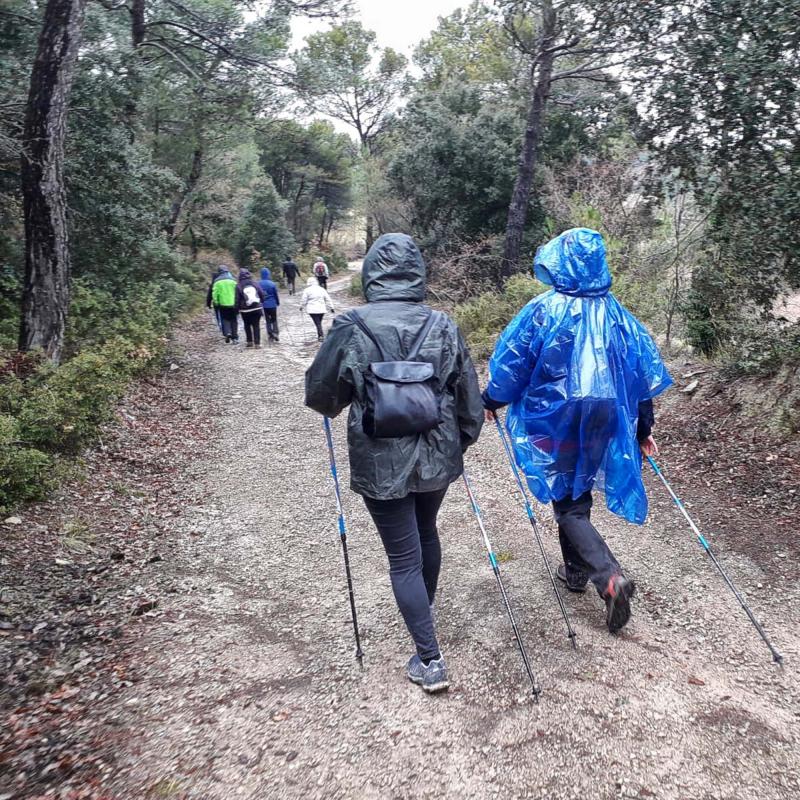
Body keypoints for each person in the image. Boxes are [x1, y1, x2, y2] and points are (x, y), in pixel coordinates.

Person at [305, 233, 484, 694]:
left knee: (403, 555)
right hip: (437, 453)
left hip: (380, 458)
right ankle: (423, 612)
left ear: (371, 274)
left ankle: (430, 658)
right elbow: (468, 400)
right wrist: (458, 445)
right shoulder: (443, 325)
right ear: (418, 273)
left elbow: (322, 396)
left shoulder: (350, 326)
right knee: (427, 533)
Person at [482, 228, 672, 634]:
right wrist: (643, 428)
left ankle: (607, 577)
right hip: (604, 416)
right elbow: (638, 378)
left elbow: (513, 364)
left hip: (556, 417)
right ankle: (573, 572)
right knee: (572, 490)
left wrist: (490, 401)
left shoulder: (542, 310)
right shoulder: (619, 316)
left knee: (566, 500)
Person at [235, 269, 265, 348]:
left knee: (247, 325)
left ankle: (249, 342)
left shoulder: (238, 285)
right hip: (256, 308)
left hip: (245, 310)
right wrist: (261, 302)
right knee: (256, 325)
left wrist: (236, 309)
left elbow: (237, 299)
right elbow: (261, 293)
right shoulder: (254, 283)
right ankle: (257, 344)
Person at [300, 276, 334, 341]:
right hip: (321, 309)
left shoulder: (307, 290)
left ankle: (321, 335)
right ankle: (320, 334)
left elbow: (304, 300)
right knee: (318, 322)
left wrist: (301, 306)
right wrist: (331, 307)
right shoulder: (322, 289)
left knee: (317, 323)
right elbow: (327, 299)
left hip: (312, 310)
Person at [211, 265, 239, 344]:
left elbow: (214, 294)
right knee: (234, 320)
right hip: (233, 304)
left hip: (222, 304)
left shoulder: (217, 281)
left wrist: (216, 303)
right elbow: (237, 292)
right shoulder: (233, 280)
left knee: (225, 319)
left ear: (219, 272)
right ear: (227, 271)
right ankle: (235, 338)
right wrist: (238, 302)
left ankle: (227, 333)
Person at [258, 267, 280, 342]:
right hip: (272, 304)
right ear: (268, 274)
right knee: (274, 319)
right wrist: (277, 302)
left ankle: (270, 334)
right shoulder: (272, 283)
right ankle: (275, 332)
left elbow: (258, 294)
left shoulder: (259, 283)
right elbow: (275, 294)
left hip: (264, 305)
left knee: (267, 320)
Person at [205, 266, 224, 334]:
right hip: (223, 301)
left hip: (216, 303)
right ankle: (224, 326)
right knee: (223, 314)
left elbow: (209, 295)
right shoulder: (221, 282)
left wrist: (208, 304)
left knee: (217, 314)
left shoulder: (213, 284)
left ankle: (220, 325)